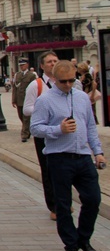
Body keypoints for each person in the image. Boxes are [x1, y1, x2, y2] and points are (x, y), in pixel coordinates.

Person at [30, 60, 105, 251]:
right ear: (55, 79)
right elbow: (35, 128)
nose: (68, 85)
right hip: (59, 157)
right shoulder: (45, 100)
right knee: (63, 205)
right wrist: (57, 130)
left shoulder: (81, 97)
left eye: (72, 80)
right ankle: (71, 245)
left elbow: (90, 126)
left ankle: (83, 239)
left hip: (82, 157)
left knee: (93, 199)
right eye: (64, 81)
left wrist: (97, 152)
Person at [23, 51, 81, 221]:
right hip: (44, 132)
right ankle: (54, 205)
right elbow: (27, 109)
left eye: (55, 60)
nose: (53, 63)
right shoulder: (36, 85)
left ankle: (65, 200)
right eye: (49, 61)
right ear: (42, 66)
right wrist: (46, 110)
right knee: (48, 169)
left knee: (66, 168)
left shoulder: (71, 83)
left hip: (66, 131)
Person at [12, 58, 37, 143]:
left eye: (23, 65)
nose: (21, 67)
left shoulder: (32, 75)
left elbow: (34, 88)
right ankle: (28, 129)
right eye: (20, 65)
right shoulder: (17, 75)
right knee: (21, 116)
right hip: (19, 99)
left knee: (26, 118)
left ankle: (24, 134)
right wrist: (13, 100)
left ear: (27, 65)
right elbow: (15, 88)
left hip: (27, 99)